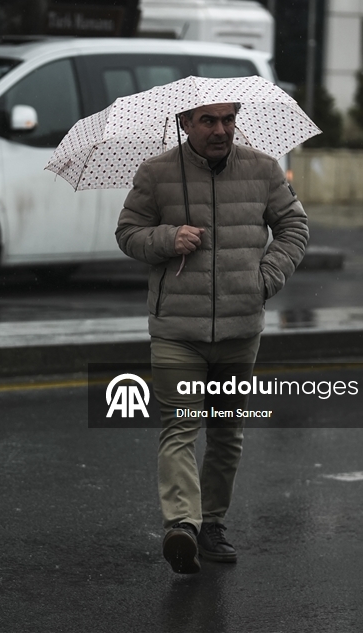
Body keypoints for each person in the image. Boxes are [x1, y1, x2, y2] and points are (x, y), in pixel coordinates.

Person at [115, 102, 308, 574]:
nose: (220, 130)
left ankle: (213, 523)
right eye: (208, 121)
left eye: (228, 120)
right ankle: (182, 524)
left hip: (241, 329)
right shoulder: (157, 172)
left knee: (226, 433)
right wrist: (166, 238)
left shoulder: (263, 169)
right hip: (177, 331)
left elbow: (294, 227)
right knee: (181, 426)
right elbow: (127, 233)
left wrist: (266, 278)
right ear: (185, 123)